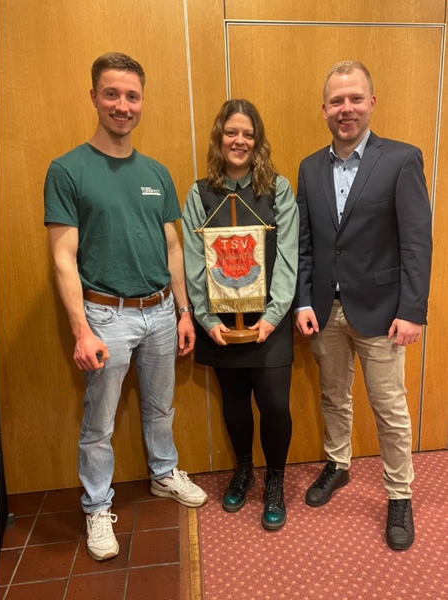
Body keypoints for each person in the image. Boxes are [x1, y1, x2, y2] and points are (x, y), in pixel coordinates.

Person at [44, 52, 207, 562]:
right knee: (100, 423)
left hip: (160, 311)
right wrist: (81, 330)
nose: (122, 105)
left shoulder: (156, 172)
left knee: (161, 407)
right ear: (94, 96)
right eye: (112, 94)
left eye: (132, 96)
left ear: (142, 101)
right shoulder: (67, 170)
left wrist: (183, 311)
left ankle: (163, 473)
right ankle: (96, 506)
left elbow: (173, 246)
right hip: (105, 316)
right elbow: (62, 258)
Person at [294, 61, 432, 550]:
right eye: (337, 101)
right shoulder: (309, 168)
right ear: (324, 109)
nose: (346, 108)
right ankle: (338, 464)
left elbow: (417, 242)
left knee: (389, 407)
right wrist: (301, 302)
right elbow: (305, 244)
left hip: (382, 312)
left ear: (371, 103)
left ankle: (399, 494)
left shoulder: (401, 159)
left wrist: (413, 310)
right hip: (324, 310)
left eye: (355, 98)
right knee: (333, 396)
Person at [183, 99, 298, 531]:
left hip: (270, 320)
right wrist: (207, 319)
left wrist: (272, 316)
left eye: (248, 134)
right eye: (231, 132)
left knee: (274, 404)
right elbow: (193, 260)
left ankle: (275, 480)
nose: (239, 141)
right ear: (219, 137)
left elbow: (288, 257)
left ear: (258, 140)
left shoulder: (278, 189)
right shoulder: (199, 193)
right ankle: (245, 470)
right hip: (219, 323)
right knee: (234, 402)